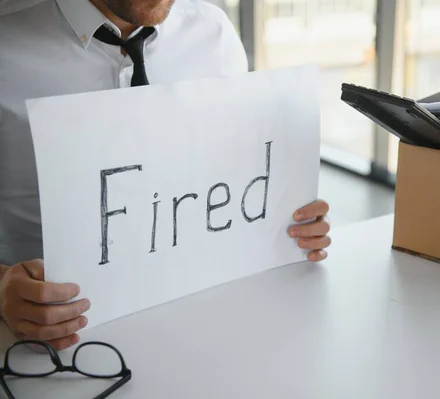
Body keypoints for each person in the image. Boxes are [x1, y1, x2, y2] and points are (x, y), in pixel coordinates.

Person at [0, 0, 332, 351]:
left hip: (206, 330)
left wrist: (285, 217)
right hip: (54, 346)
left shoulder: (214, 36)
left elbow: (231, 177)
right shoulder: (8, 49)